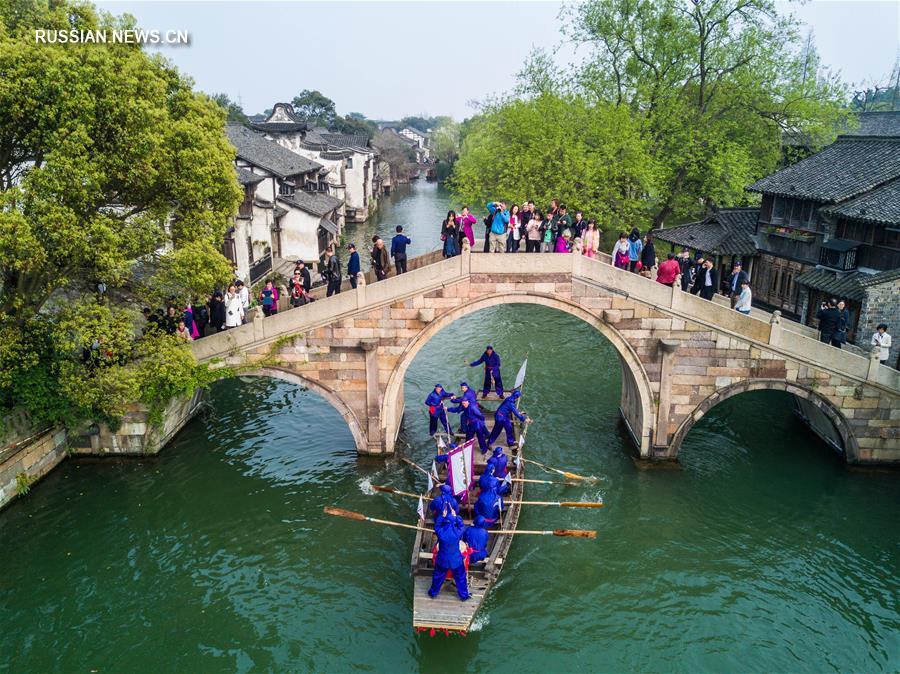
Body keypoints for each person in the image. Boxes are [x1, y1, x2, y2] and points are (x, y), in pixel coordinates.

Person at [427, 508, 470, 601]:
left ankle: (433, 593)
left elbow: (437, 525)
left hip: (442, 560)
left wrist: (442, 516)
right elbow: (462, 525)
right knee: (461, 579)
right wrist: (456, 516)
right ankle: (464, 596)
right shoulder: (458, 532)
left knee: (437, 577)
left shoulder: (440, 532)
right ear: (453, 521)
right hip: (456, 561)